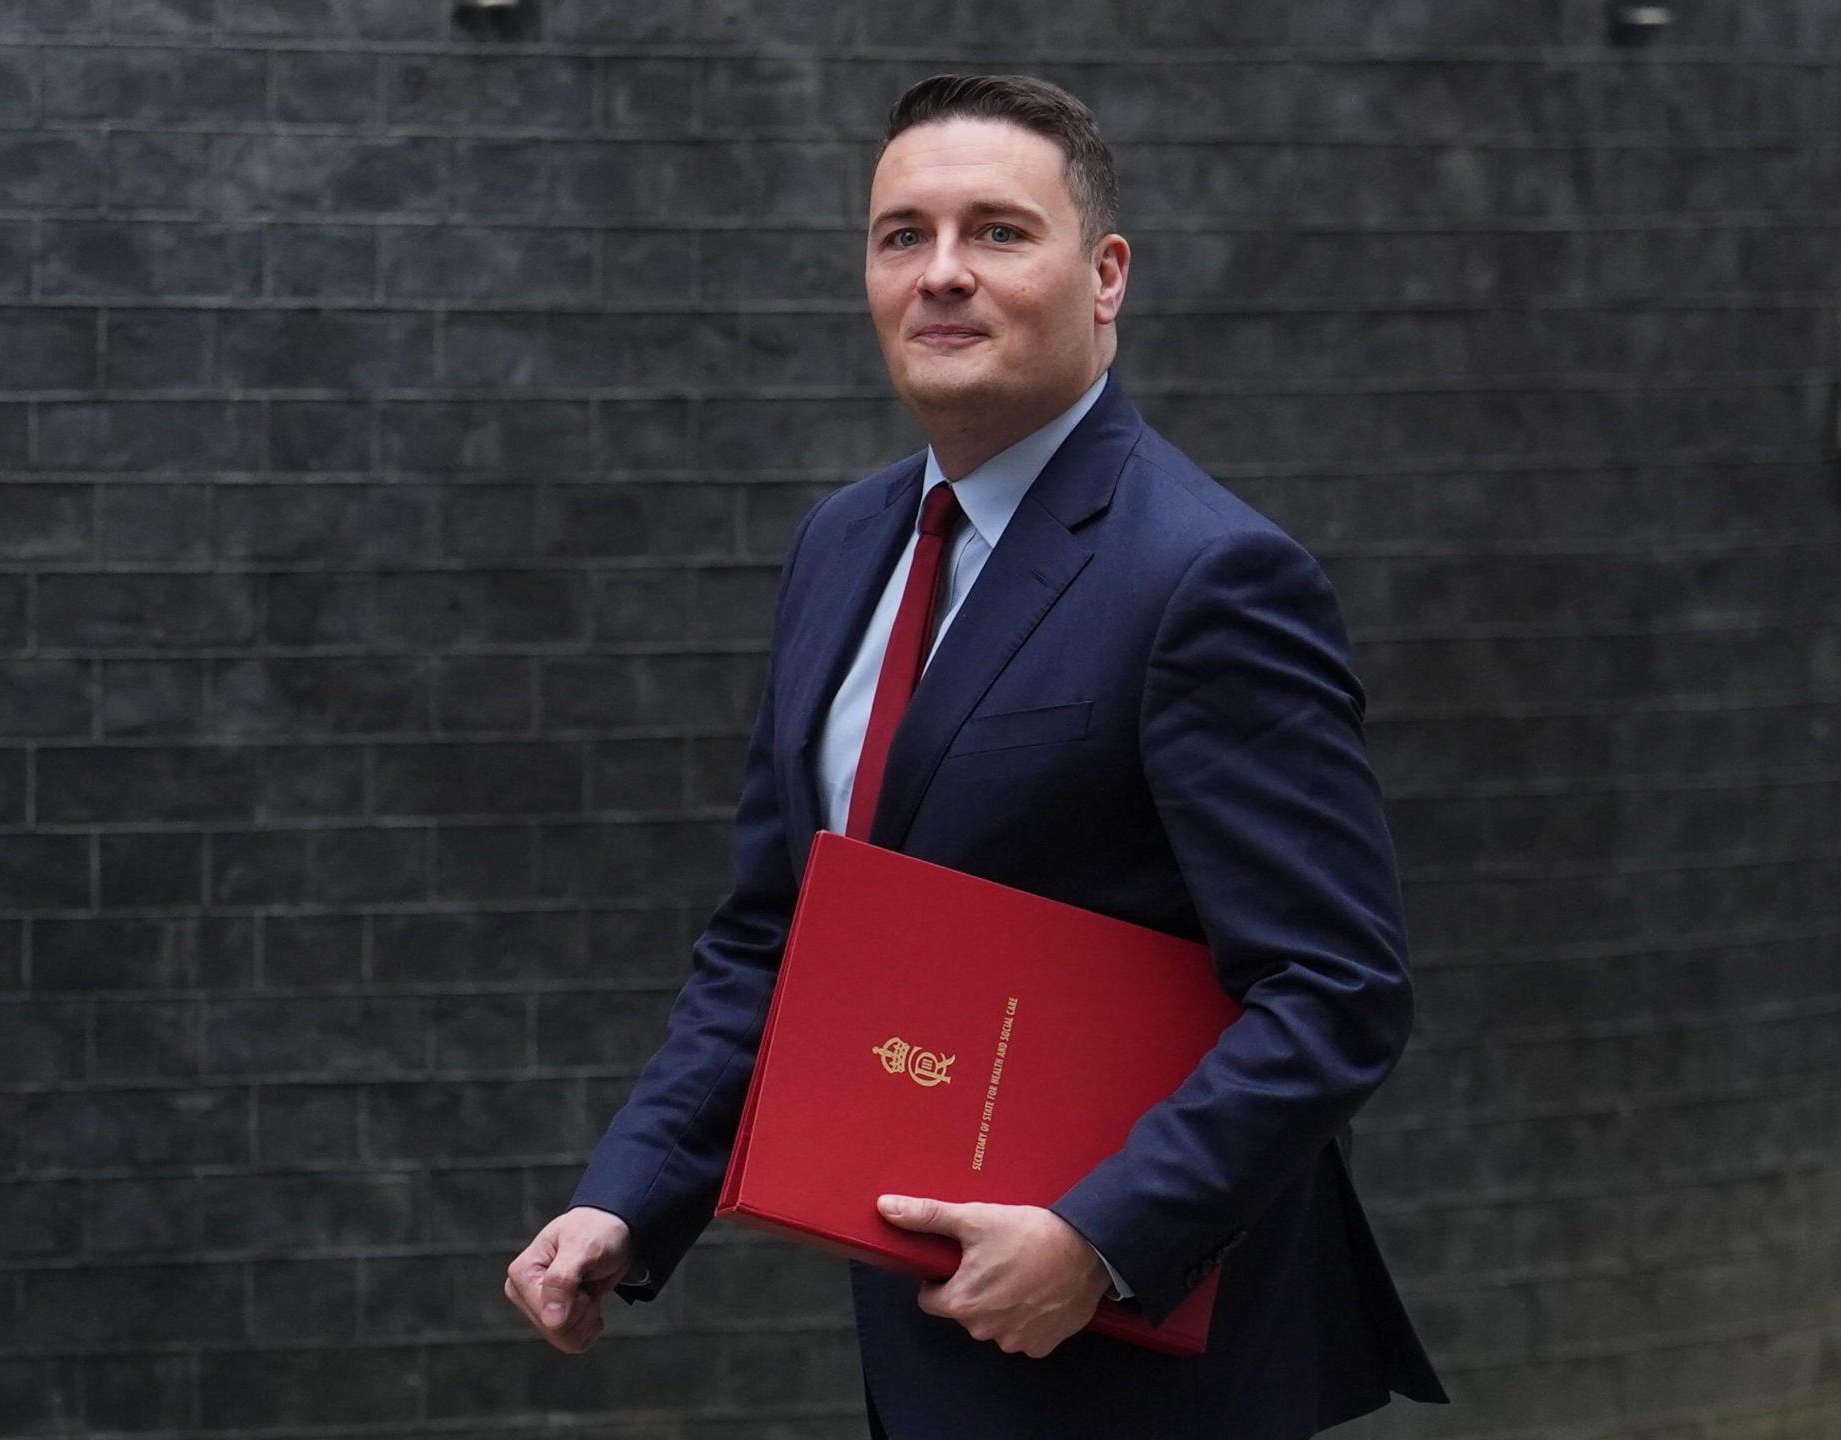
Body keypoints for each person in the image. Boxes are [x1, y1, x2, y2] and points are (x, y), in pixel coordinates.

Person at [502, 72, 1450, 1439]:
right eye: (903, 236)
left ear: (1106, 272)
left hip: (1149, 1361)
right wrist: (628, 1198)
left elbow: (1336, 989)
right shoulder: (842, 547)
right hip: (926, 1343)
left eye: (998, 232)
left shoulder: (1212, 578)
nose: (942, 275)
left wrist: (1101, 1239)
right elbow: (780, 935)